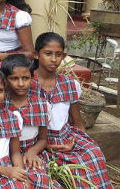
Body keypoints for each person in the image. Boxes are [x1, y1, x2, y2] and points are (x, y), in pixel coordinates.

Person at [30, 32, 112, 188]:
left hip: (65, 136)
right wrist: (46, 145)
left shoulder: (69, 84)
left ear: (64, 56)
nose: (54, 59)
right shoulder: (26, 83)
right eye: (48, 53)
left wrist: (76, 141)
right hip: (36, 141)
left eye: (58, 54)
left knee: (93, 154)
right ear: (36, 54)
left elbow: (77, 122)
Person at [2, 54, 60, 188]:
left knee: (42, 181)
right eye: (14, 78)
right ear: (5, 80)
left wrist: (32, 152)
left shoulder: (41, 105)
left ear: (32, 79)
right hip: (5, 156)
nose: (21, 83)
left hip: (30, 154)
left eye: (25, 78)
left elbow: (43, 139)